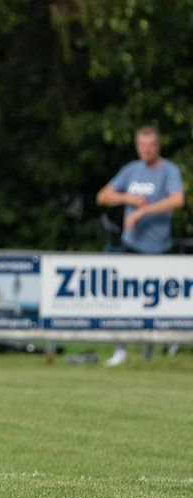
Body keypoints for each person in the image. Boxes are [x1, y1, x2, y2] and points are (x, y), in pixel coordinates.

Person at [96, 125, 185, 366]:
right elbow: (103, 196)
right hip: (131, 246)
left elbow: (178, 199)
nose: (146, 150)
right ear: (137, 147)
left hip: (158, 248)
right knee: (123, 301)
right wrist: (128, 199)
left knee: (153, 303)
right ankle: (121, 350)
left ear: (158, 146)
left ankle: (148, 352)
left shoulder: (169, 171)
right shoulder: (131, 170)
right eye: (142, 145)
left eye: (151, 145)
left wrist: (144, 211)